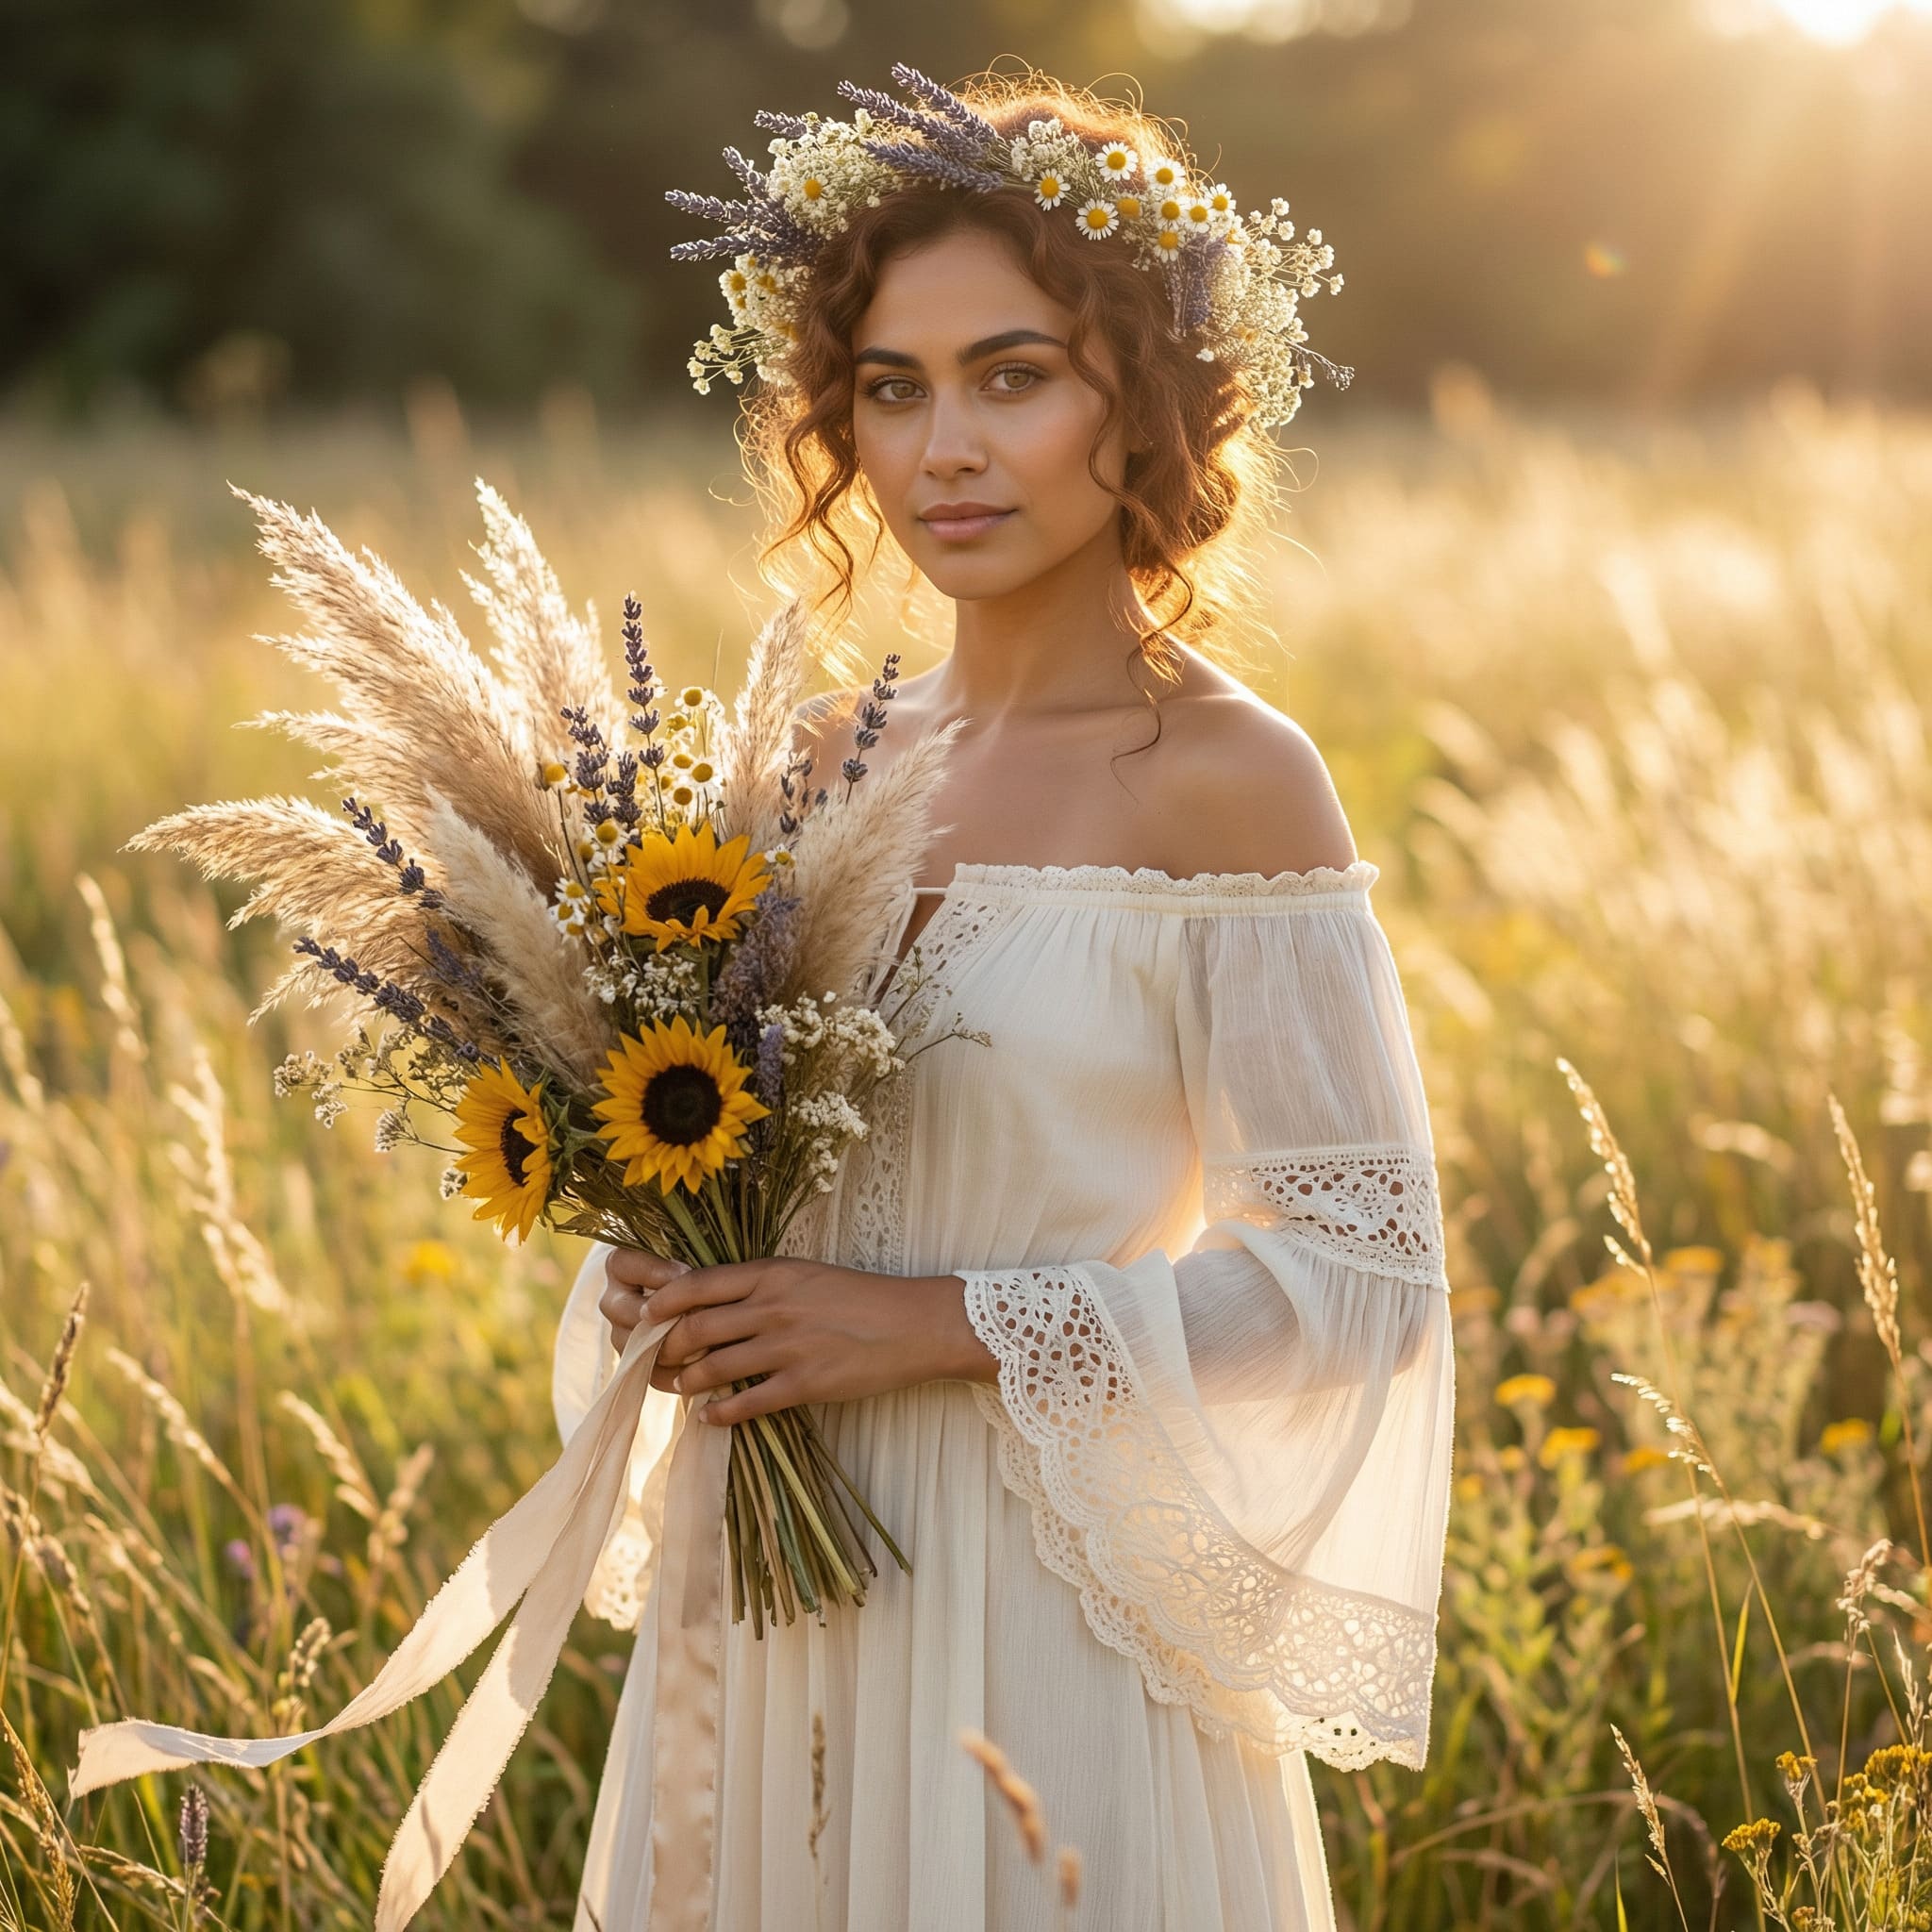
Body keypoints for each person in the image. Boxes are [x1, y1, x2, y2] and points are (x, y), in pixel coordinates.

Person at [549, 61, 1456, 1932]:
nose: (941, 446)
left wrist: (928, 1324)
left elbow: (1361, 1280)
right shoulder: (799, 768)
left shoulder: (1226, 778)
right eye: (893, 387)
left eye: (1011, 375)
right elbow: (711, 1126)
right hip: (775, 1595)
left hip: (1049, 1615)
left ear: (1148, 398)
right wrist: (659, 1264)